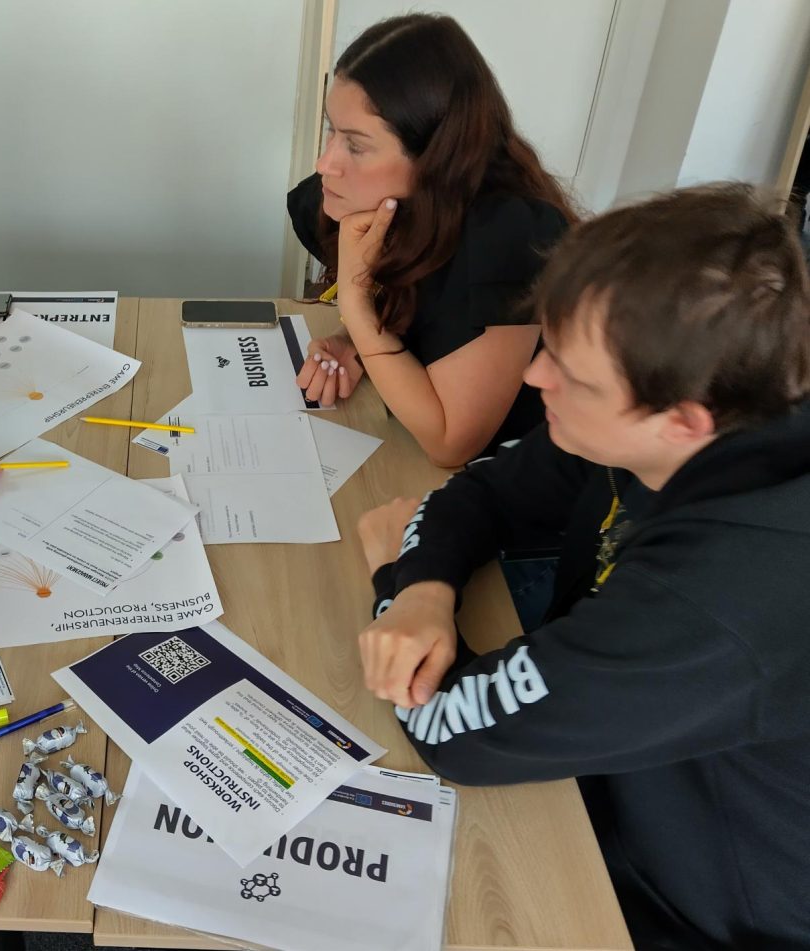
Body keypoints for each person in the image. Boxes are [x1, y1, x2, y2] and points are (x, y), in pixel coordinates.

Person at [355, 184, 810, 950]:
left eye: (572, 374)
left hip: (682, 908)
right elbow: (482, 491)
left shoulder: (715, 601)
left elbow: (448, 727)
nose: (536, 381)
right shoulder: (717, 402)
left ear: (682, 420)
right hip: (618, 767)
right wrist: (423, 589)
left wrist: (390, 584)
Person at [291, 13, 574, 467]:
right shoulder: (363, 202)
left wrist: (358, 305)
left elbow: (451, 443)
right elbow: (431, 323)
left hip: (526, 486)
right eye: (331, 130)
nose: (326, 163)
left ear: (435, 157)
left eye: (356, 145)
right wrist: (355, 340)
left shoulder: (510, 236)